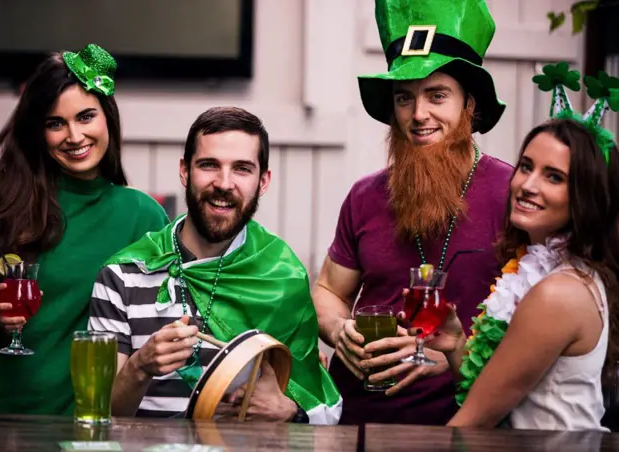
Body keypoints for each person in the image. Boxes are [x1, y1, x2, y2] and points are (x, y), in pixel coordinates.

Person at [0, 44, 168, 433]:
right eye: (55, 123)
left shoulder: (142, 216)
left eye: (85, 116)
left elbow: (163, 325)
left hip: (71, 426)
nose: (74, 135)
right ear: (36, 131)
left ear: (107, 118)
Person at [383, 63, 619, 431]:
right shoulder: (549, 271)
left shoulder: (559, 293)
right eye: (526, 167)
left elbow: (474, 420)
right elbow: (498, 389)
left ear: (584, 197)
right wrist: (459, 343)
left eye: (553, 177)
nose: (527, 185)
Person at [312, 0, 514, 425]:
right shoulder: (365, 196)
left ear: (469, 105)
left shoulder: (511, 195)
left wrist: (456, 358)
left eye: (436, 95)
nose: (419, 115)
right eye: (405, 98)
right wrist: (339, 331)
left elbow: (534, 328)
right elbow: (329, 290)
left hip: (462, 423)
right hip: (357, 420)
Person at [88, 106, 342, 424]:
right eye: (209, 165)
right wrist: (140, 366)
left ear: (263, 181)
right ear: (184, 170)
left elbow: (320, 406)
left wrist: (290, 411)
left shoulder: (282, 277)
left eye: (242, 169)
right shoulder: (122, 276)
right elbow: (99, 414)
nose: (223, 183)